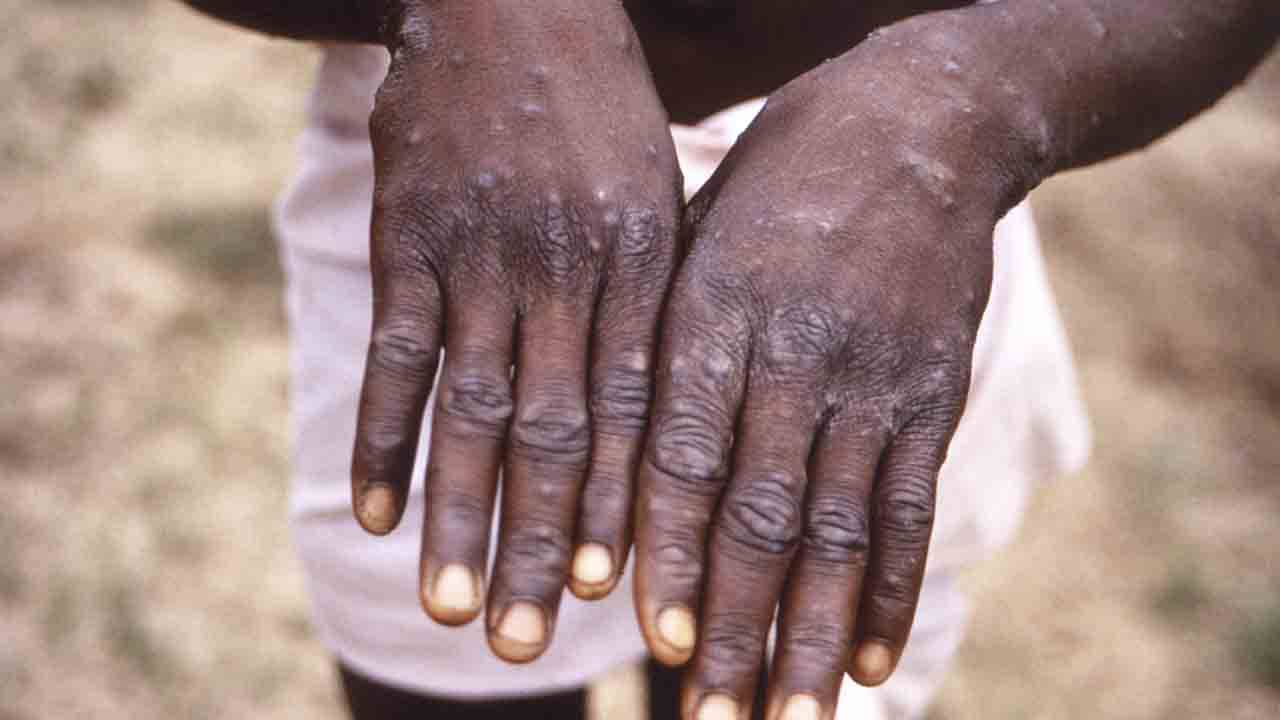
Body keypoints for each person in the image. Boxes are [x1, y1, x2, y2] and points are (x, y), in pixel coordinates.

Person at [180, 2, 1278, 719]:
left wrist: (968, 101)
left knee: (780, 670)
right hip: (481, 160)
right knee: (443, 662)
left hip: (881, 220)